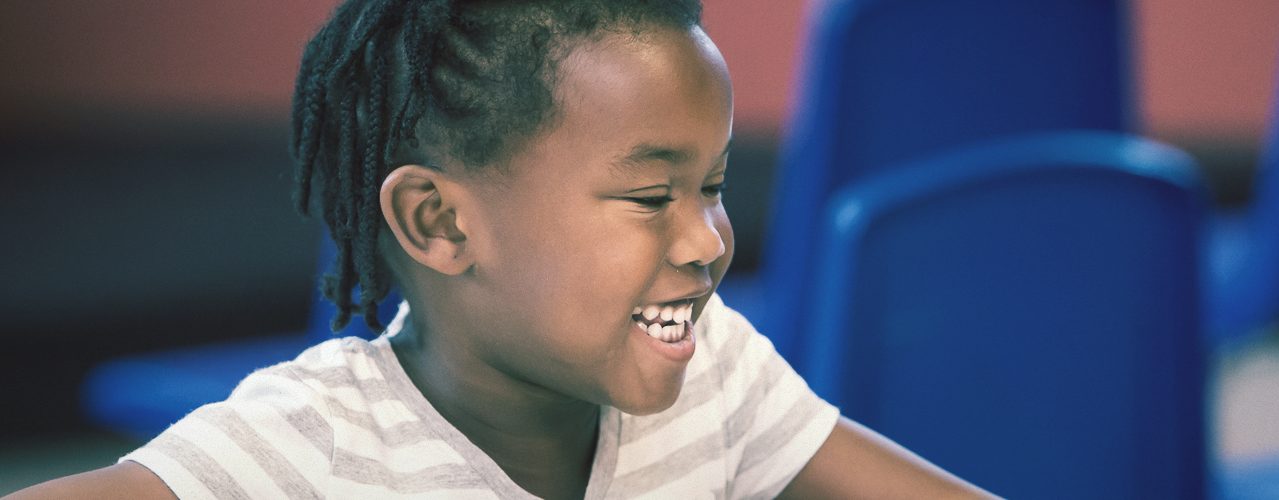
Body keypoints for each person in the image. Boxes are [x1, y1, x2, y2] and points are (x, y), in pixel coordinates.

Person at [9, 1, 995, 498]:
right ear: (440, 223)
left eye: (713, 185)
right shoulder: (312, 446)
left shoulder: (717, 371)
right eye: (650, 196)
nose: (707, 239)